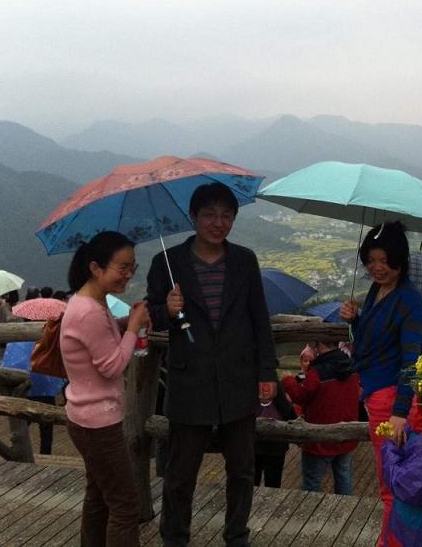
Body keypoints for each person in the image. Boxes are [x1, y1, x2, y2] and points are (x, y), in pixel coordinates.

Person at [146, 182, 279, 547]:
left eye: (226, 215)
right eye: (209, 215)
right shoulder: (167, 263)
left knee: (242, 469)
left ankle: (237, 536)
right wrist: (166, 310)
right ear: (193, 217)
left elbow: (259, 319)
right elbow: (151, 317)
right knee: (180, 473)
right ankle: (175, 538)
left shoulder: (244, 260)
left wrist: (267, 371)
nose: (218, 223)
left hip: (238, 378)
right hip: (189, 382)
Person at [60, 230, 150, 547]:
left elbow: (99, 345)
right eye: (122, 267)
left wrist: (123, 324)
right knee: (125, 505)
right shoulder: (88, 311)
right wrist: (134, 328)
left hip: (86, 418)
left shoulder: (89, 303)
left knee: (99, 494)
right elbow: (112, 366)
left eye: (132, 267)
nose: (128, 274)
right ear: (96, 268)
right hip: (97, 423)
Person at [340, 221, 422, 545]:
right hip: (376, 396)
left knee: (395, 485)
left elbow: (411, 360)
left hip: (392, 403)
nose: (376, 267)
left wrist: (400, 412)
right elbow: (369, 340)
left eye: (384, 260)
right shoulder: (377, 292)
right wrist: (356, 319)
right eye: (370, 260)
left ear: (399, 260)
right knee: (391, 483)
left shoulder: (410, 301)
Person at [280, 338, 360, 495]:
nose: (313, 348)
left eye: (314, 345)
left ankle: (310, 509)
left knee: (311, 482)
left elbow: (300, 396)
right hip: (347, 434)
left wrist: (288, 380)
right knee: (343, 477)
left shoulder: (316, 372)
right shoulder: (351, 365)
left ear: (321, 345)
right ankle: (345, 508)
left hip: (319, 437)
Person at [254, 382, 296, 488]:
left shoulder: (251, 386)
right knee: (273, 483)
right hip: (276, 443)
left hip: (254, 442)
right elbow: (290, 415)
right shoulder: (277, 389)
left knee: (251, 481)